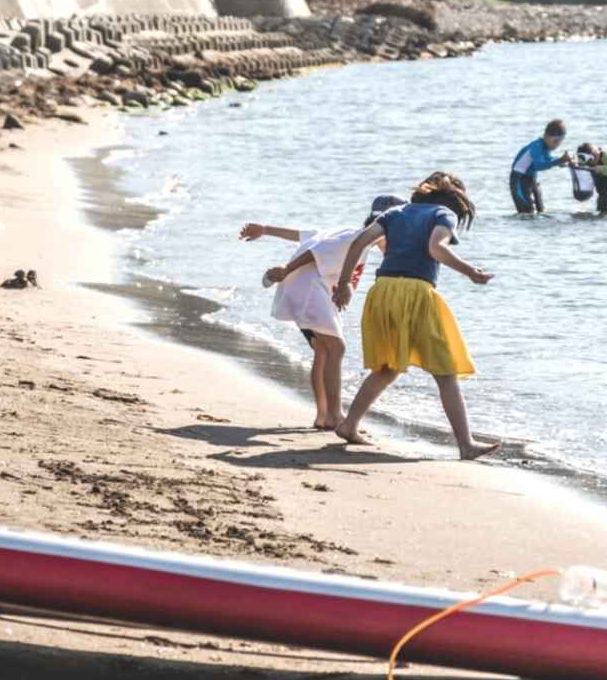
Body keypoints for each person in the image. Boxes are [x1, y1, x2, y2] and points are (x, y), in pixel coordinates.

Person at [330, 173, 500, 460]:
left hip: (382, 290)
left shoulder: (395, 211)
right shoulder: (444, 214)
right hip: (415, 292)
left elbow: (359, 243)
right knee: (445, 372)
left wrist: (345, 283)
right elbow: (436, 248)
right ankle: (466, 444)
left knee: (388, 367)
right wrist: (471, 272)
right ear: (456, 200)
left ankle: (348, 425)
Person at [239, 195, 403, 430]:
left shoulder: (349, 232)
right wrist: (287, 269)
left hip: (303, 291)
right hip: (308, 290)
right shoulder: (356, 238)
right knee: (337, 348)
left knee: (323, 351)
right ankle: (335, 415)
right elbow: (316, 250)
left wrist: (265, 229)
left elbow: (303, 235)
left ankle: (323, 415)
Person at [509, 119, 572, 215]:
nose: (556, 146)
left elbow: (548, 159)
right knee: (527, 212)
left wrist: (561, 162)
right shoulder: (537, 146)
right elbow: (539, 166)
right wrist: (559, 160)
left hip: (531, 179)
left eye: (559, 142)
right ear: (546, 136)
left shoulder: (545, 147)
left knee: (541, 211)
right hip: (519, 180)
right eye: (555, 141)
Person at [577, 142, 607, 214]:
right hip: (601, 198)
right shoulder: (586, 159)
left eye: (595, 156)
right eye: (589, 160)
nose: (592, 162)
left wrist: (598, 168)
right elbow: (577, 165)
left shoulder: (605, 156)